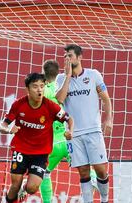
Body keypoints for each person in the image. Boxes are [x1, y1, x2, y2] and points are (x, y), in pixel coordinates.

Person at [0, 72, 74, 203]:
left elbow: (69, 119)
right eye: (35, 86)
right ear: (27, 89)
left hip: (41, 153)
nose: (39, 89)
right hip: (21, 149)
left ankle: (25, 187)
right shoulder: (18, 105)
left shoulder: (50, 106)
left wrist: (70, 131)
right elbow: (2, 126)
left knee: (32, 188)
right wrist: (9, 130)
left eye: (42, 86)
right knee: (15, 185)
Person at [56, 44, 113, 203]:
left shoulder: (93, 75)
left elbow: (106, 99)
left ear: (80, 57)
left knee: (101, 170)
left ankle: (105, 199)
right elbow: (60, 100)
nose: (67, 58)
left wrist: (108, 119)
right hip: (73, 134)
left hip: (93, 130)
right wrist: (67, 76)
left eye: (70, 55)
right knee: (83, 171)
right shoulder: (61, 79)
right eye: (65, 56)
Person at [40, 60, 97, 203]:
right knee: (84, 168)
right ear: (58, 72)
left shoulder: (43, 90)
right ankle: (95, 178)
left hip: (52, 143)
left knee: (44, 173)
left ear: (44, 73)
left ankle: (48, 201)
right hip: (70, 139)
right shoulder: (65, 86)